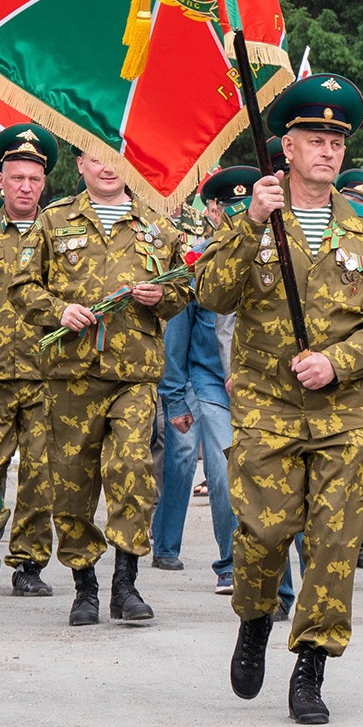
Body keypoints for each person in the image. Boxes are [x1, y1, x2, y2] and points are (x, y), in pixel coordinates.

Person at [195, 73, 363, 725]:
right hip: (266, 401)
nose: (327, 150)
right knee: (263, 530)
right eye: (314, 138)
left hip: (344, 408)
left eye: (336, 140)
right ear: (286, 146)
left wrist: (337, 360)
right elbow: (210, 292)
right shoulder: (253, 217)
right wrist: (251, 221)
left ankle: (312, 661)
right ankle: (256, 617)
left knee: (335, 538)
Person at [11, 143, 188, 626]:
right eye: (96, 156)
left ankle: (125, 583)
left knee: (132, 467)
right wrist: (58, 310)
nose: (108, 166)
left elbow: (186, 287)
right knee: (72, 483)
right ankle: (84, 584)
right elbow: (22, 284)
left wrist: (163, 296)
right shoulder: (53, 220)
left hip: (134, 374)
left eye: (117, 157)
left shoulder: (159, 224)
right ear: (81, 166)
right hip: (72, 374)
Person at [0, 126, 59, 596]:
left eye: (34, 179)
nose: (25, 186)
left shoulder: (59, 233)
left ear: (44, 184)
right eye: (16, 177)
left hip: (47, 371)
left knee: (43, 473)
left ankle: (29, 564)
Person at [149, 169, 246, 595]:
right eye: (227, 207)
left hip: (269, 384)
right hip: (210, 381)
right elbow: (177, 331)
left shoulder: (282, 252)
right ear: (213, 210)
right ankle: (228, 563)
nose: (237, 215)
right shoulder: (197, 260)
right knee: (221, 470)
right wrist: (174, 399)